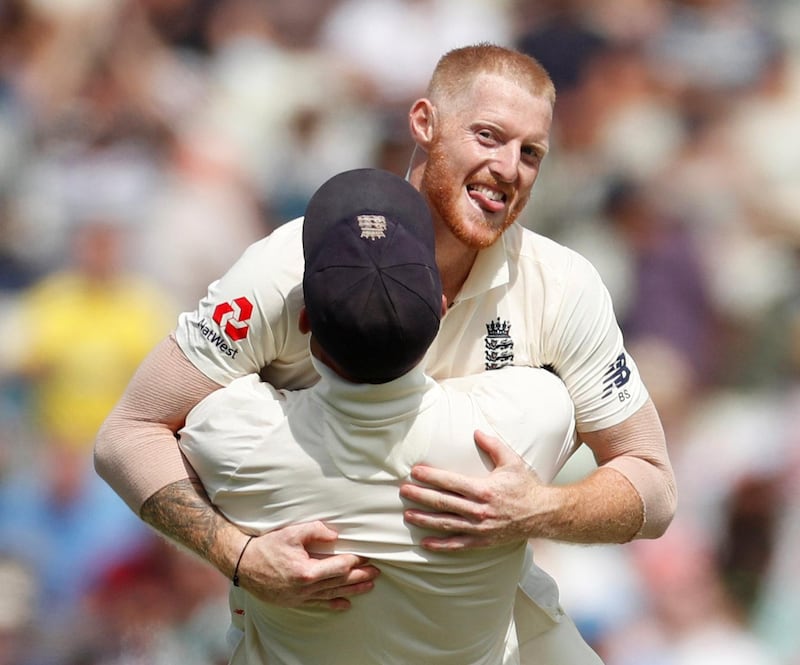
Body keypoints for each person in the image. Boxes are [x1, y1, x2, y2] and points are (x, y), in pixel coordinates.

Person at [95, 42, 676, 661]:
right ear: (425, 123)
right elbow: (128, 433)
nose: (509, 168)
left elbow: (654, 484)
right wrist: (237, 556)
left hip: (500, 634)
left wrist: (541, 508)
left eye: (530, 152)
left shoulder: (560, 285)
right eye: (488, 136)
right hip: (307, 632)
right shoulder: (291, 267)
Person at [177, 167, 591, 663]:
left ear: (304, 319)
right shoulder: (522, 420)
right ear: (440, 310)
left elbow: (167, 422)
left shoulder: (235, 438)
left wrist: (238, 556)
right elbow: (562, 405)